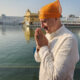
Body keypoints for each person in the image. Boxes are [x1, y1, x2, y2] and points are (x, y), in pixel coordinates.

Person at [34, 0, 79, 80]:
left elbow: (57, 77)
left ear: (56, 18)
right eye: (40, 22)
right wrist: (38, 47)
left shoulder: (68, 40)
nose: (41, 26)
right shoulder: (47, 35)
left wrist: (43, 47)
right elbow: (37, 59)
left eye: (44, 21)